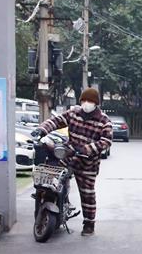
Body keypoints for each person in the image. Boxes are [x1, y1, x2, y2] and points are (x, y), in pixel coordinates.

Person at [32, 88, 112, 236]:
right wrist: (41, 129)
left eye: (90, 101)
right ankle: (47, 209)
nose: (87, 103)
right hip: (68, 156)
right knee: (51, 178)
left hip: (87, 163)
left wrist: (87, 149)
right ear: (80, 101)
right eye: (84, 100)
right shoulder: (74, 113)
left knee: (87, 194)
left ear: (96, 104)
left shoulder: (104, 121)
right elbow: (56, 121)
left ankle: (89, 224)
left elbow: (106, 141)